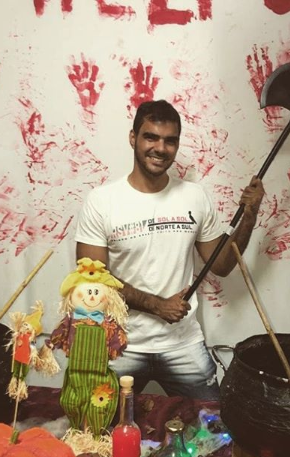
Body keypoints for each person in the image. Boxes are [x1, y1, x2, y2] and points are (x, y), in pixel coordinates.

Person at [75, 100, 263, 399]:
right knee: (99, 422)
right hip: (120, 344)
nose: (160, 148)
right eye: (151, 137)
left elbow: (222, 264)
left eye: (170, 141)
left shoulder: (194, 196)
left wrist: (249, 216)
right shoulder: (102, 201)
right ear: (133, 138)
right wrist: (157, 305)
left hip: (182, 344)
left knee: (211, 423)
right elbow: (91, 279)